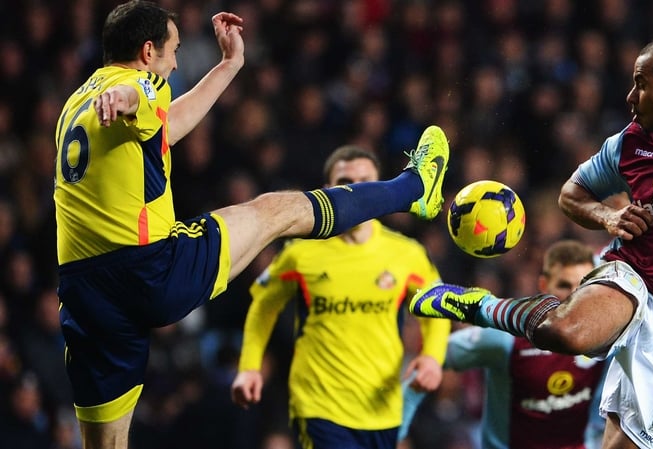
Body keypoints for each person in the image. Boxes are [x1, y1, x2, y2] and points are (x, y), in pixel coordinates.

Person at [54, 2, 449, 448]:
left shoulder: (74, 104)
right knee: (274, 211)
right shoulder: (140, 83)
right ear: (148, 51)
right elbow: (139, 97)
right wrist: (128, 96)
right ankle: (413, 186)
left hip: (84, 291)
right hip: (148, 270)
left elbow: (164, 126)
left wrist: (229, 64)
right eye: (174, 50)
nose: (177, 62)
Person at [408, 35, 653, 449]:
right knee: (565, 332)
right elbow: (570, 194)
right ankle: (478, 304)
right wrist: (608, 216)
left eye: (640, 83)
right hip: (633, 275)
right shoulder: (628, 144)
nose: (631, 96)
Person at [231, 145, 451, 449]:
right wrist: (249, 367)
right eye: (345, 182)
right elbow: (264, 306)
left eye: (365, 181)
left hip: (383, 410)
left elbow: (436, 306)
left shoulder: (407, 254)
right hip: (319, 405)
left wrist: (432, 358)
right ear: (327, 191)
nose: (356, 190)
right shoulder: (299, 253)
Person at [401, 239, 604, 449]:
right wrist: (397, 433)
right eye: (564, 285)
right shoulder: (504, 339)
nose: (573, 295)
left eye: (582, 286)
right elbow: (429, 363)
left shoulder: (603, 336)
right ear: (543, 285)